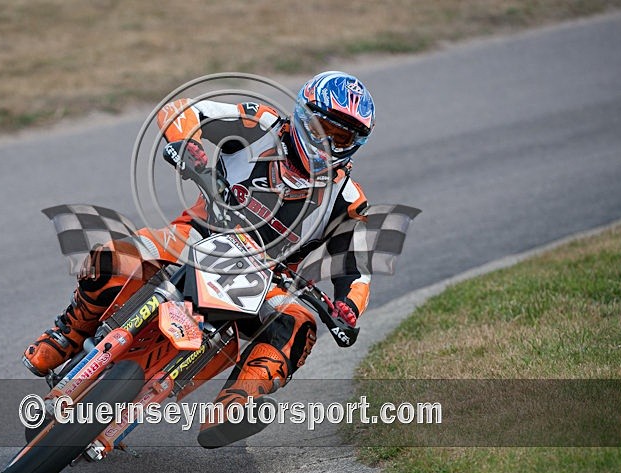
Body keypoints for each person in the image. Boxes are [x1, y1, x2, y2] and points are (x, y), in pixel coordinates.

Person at [22, 71, 375, 447]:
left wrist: (348, 308)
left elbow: (357, 270)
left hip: (265, 279)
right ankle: (69, 333)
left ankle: (236, 404)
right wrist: (186, 144)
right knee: (113, 256)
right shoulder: (259, 124)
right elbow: (181, 110)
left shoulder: (348, 198)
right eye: (324, 129)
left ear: (355, 144)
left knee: (299, 323)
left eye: (341, 138)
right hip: (195, 235)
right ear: (304, 115)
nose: (328, 142)